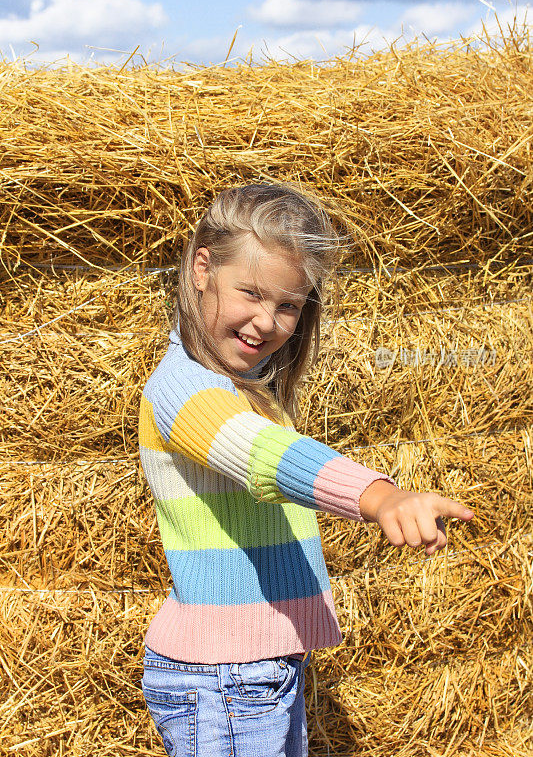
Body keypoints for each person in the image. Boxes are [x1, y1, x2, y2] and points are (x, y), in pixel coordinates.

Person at [138, 183, 474, 757]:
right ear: (201, 269)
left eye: (289, 305)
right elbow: (262, 454)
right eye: (250, 292)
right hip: (226, 684)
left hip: (250, 675)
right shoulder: (183, 392)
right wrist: (379, 497)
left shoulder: (234, 385)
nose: (266, 321)